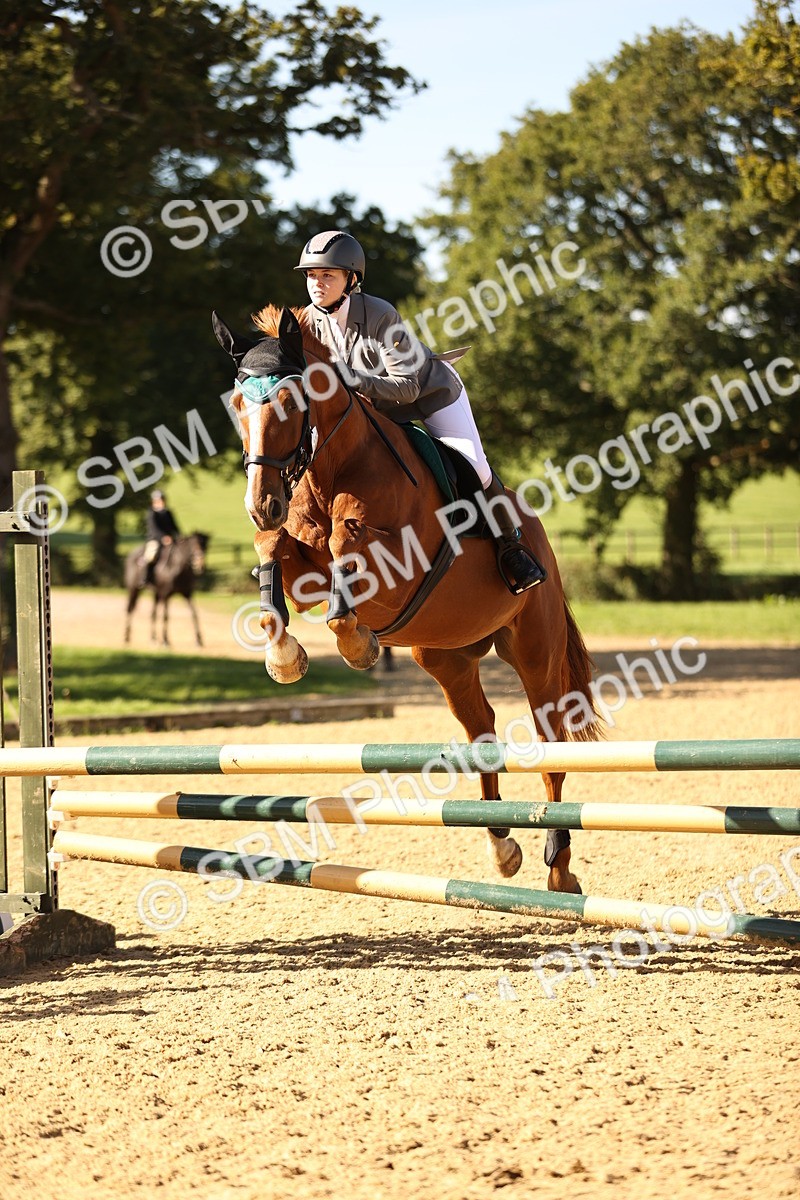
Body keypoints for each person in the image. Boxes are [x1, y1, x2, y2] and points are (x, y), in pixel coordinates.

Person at [295, 230, 546, 593]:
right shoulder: (307, 321)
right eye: (311, 275)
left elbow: (407, 387)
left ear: (351, 279)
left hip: (431, 394)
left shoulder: (379, 314)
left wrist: (353, 380)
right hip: (377, 411)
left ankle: (512, 547)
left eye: (327, 275)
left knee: (474, 465)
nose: (317, 283)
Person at [140, 489, 180, 586]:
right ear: (154, 501)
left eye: (162, 500)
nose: (161, 502)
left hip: (170, 540)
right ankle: (146, 578)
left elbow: (174, 526)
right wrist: (163, 537)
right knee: (151, 556)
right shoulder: (152, 513)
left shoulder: (168, 513)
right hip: (155, 540)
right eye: (159, 500)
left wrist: (179, 535)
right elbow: (154, 529)